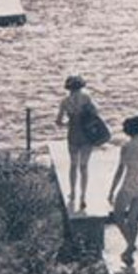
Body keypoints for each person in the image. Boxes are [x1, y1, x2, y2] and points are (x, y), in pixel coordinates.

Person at [108, 116, 138, 268]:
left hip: (130, 183)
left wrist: (111, 190)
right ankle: (129, 250)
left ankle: (130, 245)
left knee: (118, 215)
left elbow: (120, 170)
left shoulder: (126, 147)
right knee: (132, 219)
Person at [56, 75, 100, 212]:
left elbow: (58, 122)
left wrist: (68, 123)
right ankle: (83, 196)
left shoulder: (65, 101)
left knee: (73, 165)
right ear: (81, 86)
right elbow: (96, 113)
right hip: (86, 136)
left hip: (73, 136)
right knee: (84, 167)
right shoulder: (87, 98)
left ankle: (73, 193)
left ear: (68, 88)